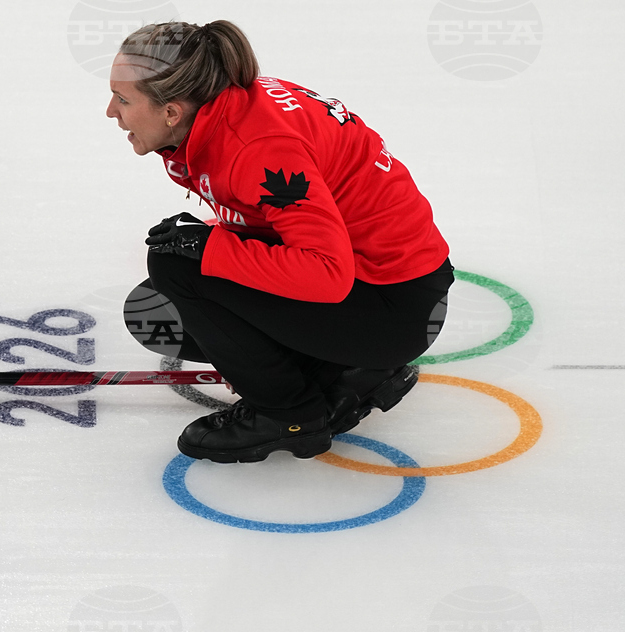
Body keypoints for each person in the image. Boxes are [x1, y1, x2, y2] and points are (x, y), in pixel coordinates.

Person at [106, 20, 454, 464]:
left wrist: (208, 248)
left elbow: (327, 274)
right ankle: (347, 372)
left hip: (393, 307)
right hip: (389, 288)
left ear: (172, 111)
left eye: (123, 99)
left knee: (177, 268)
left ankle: (288, 414)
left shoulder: (258, 148)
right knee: (158, 309)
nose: (111, 112)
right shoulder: (226, 109)